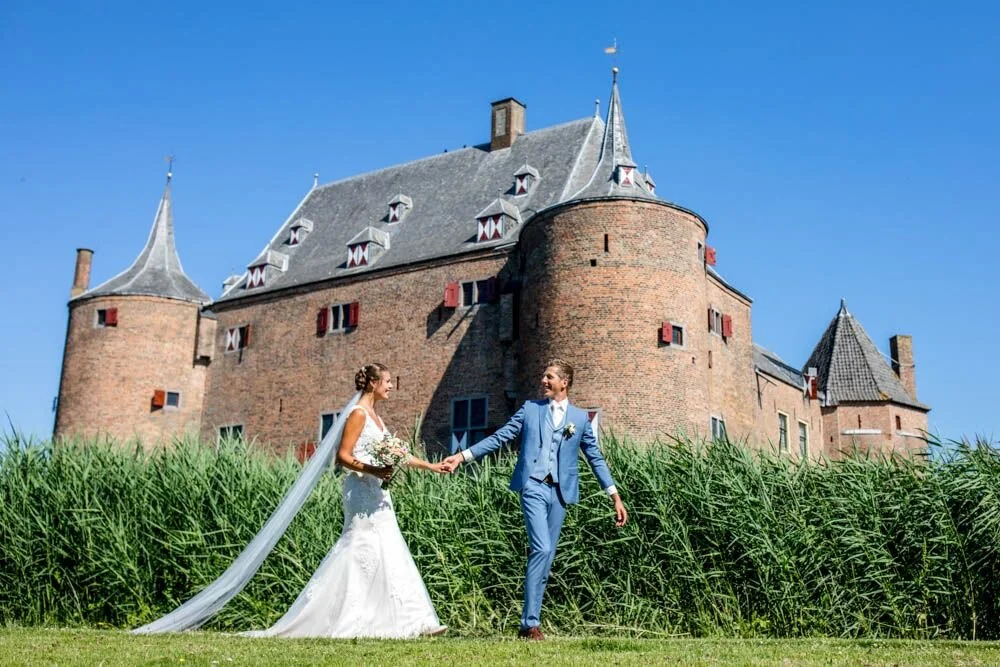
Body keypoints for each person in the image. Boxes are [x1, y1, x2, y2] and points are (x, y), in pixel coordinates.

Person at [243, 363, 449, 638]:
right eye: (387, 381)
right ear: (373, 383)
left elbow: (397, 454)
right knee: (359, 546)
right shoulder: (358, 414)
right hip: (360, 490)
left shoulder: (377, 417)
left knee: (389, 545)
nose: (390, 386)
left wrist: (431, 466)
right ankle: (347, 618)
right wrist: (374, 469)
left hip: (378, 490)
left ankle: (412, 621)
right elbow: (343, 456)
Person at [441, 359, 627, 640]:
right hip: (533, 487)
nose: (543, 380)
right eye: (543, 375)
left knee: (547, 556)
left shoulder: (579, 419)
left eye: (549, 376)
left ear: (564, 382)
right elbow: (501, 436)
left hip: (561, 493)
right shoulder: (530, 410)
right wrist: (463, 456)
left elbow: (595, 458)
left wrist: (614, 495)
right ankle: (530, 623)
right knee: (540, 548)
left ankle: (527, 625)